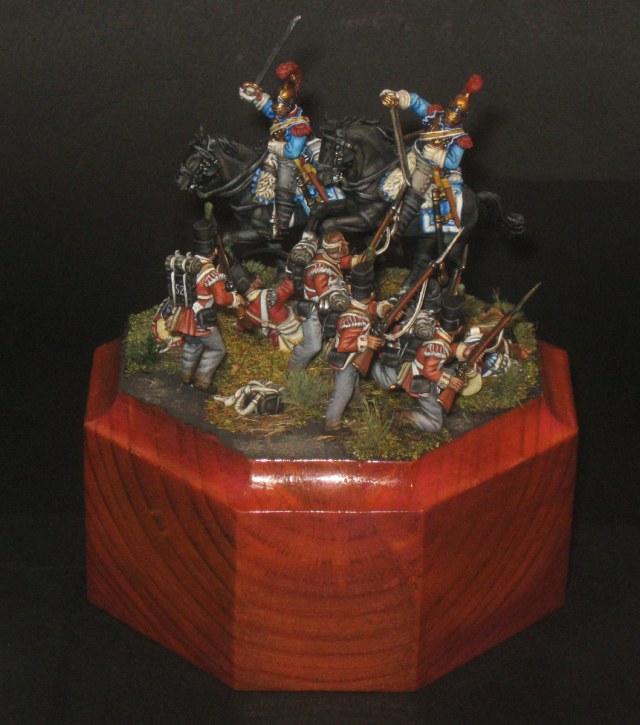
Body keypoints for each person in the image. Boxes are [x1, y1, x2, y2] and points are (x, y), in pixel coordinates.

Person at [380, 75, 483, 238]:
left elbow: (453, 162)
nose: (452, 117)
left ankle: (398, 229)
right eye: (452, 112)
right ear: (448, 107)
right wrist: (396, 97)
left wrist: (436, 155)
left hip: (429, 167)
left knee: (416, 188)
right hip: (413, 152)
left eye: (458, 115)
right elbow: (416, 102)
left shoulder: (460, 138)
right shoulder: (435, 114)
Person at [372, 294, 473, 432]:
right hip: (422, 381)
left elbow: (446, 348)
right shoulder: (439, 347)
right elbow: (429, 371)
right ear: (460, 329)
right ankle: (405, 418)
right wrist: (448, 381)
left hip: (416, 367)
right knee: (435, 424)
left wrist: (463, 351)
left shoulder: (434, 331)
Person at [239, 61, 313, 237]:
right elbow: (270, 110)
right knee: (259, 170)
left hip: (294, 160)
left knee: (284, 182)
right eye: (277, 107)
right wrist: (256, 96)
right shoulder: (281, 114)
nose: (277, 111)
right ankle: (260, 208)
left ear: (289, 106)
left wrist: (276, 146)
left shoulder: (300, 125)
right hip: (275, 153)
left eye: (281, 108)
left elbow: (293, 151)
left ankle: (282, 221)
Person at [171, 219, 244, 392]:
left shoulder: (188, 264)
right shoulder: (211, 274)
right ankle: (202, 380)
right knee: (217, 349)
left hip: (185, 315)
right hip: (201, 319)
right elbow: (221, 299)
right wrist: (235, 299)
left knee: (192, 345)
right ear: (214, 251)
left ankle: (186, 376)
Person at [288, 230, 370, 371]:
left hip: (327, 308)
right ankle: (294, 370)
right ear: (337, 248)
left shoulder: (327, 255)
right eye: (343, 243)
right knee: (312, 346)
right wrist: (349, 291)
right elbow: (327, 295)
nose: (347, 243)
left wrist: (356, 261)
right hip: (314, 311)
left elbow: (340, 262)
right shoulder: (320, 272)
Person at [324, 263, 388, 434]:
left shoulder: (358, 306)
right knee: (343, 392)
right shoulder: (353, 317)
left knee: (354, 382)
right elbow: (344, 345)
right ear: (372, 293)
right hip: (345, 360)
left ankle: (356, 402)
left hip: (354, 358)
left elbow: (372, 309)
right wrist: (365, 342)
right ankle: (332, 422)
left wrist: (384, 308)